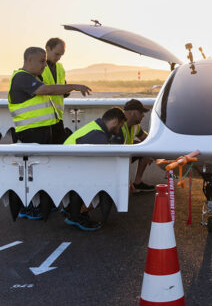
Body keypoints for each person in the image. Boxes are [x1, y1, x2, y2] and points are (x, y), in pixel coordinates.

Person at [8, 47, 91, 219]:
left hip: (42, 131)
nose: (45, 65)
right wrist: (75, 86)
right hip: (31, 133)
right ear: (29, 60)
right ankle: (31, 207)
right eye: (42, 61)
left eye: (46, 61)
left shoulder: (33, 77)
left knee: (43, 170)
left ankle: (43, 205)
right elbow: (46, 90)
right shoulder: (21, 77)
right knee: (36, 172)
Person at [63, 107, 127, 230]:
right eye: (120, 125)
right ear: (115, 121)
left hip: (69, 166)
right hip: (70, 169)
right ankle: (76, 216)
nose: (119, 130)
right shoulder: (97, 135)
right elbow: (102, 165)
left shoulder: (96, 128)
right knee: (106, 184)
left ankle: (71, 210)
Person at [111, 99, 154, 192]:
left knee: (145, 149)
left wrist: (152, 153)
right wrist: (128, 182)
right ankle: (123, 185)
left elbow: (146, 139)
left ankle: (137, 183)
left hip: (124, 154)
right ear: (133, 113)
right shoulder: (118, 126)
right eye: (141, 113)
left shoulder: (135, 125)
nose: (143, 115)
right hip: (111, 160)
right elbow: (117, 156)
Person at [42, 37, 69, 144]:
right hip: (43, 120)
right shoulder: (37, 67)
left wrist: (66, 91)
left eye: (61, 55)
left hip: (57, 118)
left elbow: (63, 87)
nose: (59, 58)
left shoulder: (60, 67)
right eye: (57, 54)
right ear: (47, 49)